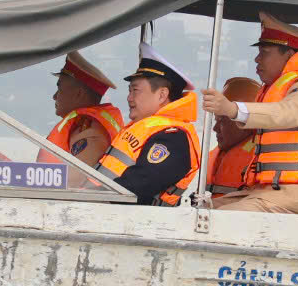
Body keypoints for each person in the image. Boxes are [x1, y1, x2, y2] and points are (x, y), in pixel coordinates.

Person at [200, 12, 298, 216]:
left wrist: (232, 109)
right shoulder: (276, 90)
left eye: (265, 52)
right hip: (270, 194)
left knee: (219, 220)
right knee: (202, 209)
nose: (257, 58)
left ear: (288, 54)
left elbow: (286, 113)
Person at [97, 42, 200, 205]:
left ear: (162, 95)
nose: (129, 98)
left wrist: (93, 198)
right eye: (129, 91)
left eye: (135, 90)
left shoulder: (173, 137)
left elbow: (141, 183)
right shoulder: (148, 129)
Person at [36, 51, 124, 169]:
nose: (54, 96)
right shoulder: (81, 126)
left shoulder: (91, 130)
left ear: (79, 93)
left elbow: (74, 180)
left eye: (60, 88)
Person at [206, 76, 261, 201]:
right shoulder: (214, 156)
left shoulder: (265, 161)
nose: (215, 128)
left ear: (244, 122)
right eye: (216, 120)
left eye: (222, 121)